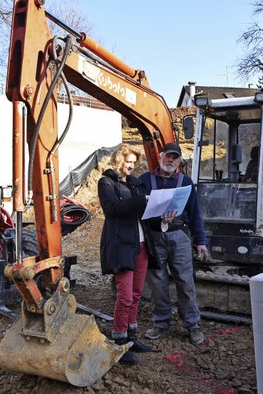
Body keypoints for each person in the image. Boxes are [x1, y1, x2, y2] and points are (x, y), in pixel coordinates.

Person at [138, 142, 210, 345]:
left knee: (185, 281)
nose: (171, 160)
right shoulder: (144, 180)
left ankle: (192, 324)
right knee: (157, 282)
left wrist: (200, 241)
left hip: (179, 235)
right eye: (168, 156)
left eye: (175, 157)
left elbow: (195, 214)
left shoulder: (186, 182)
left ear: (179, 161)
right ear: (160, 157)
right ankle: (161, 323)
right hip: (154, 237)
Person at [98, 144, 157, 364]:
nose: (131, 165)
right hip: (121, 245)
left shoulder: (135, 183)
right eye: (127, 161)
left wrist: (161, 213)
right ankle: (119, 342)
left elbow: (142, 211)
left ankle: (132, 337)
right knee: (124, 296)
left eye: (134, 162)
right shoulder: (106, 182)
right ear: (117, 160)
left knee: (136, 294)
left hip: (141, 244)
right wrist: (143, 200)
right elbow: (113, 208)